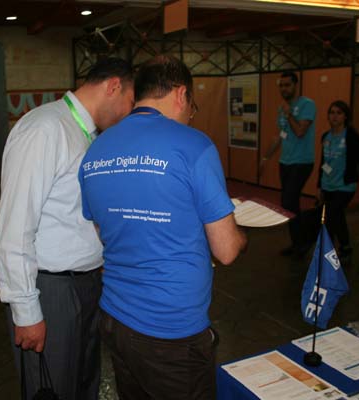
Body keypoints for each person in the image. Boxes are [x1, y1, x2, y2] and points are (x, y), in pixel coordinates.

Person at [78, 55, 247, 399]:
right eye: (192, 107)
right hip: (171, 331)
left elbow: (103, 231)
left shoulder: (96, 149)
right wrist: (241, 235)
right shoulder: (193, 145)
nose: (190, 115)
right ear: (181, 94)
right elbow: (227, 251)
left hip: (115, 317)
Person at [0, 58, 134, 400]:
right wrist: (26, 311)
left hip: (86, 285)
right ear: (114, 86)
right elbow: (15, 227)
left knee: (84, 385)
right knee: (53, 390)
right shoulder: (45, 129)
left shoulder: (86, 134)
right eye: (131, 102)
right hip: (51, 290)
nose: (128, 113)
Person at [260, 71, 316, 257]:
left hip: (302, 162)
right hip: (285, 162)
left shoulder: (307, 105)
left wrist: (289, 113)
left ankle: (305, 240)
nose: (284, 89)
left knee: (289, 201)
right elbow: (281, 136)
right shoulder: (281, 108)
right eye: (281, 86)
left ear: (295, 86)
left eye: (287, 85)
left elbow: (300, 132)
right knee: (289, 205)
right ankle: (297, 243)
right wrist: (266, 157)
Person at [318, 100, 359, 258]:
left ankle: (341, 246)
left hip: (345, 185)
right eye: (332, 113)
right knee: (333, 216)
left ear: (345, 116)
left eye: (339, 113)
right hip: (328, 185)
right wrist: (319, 186)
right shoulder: (326, 136)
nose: (334, 116)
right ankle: (336, 247)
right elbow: (323, 162)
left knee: (333, 213)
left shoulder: (352, 136)